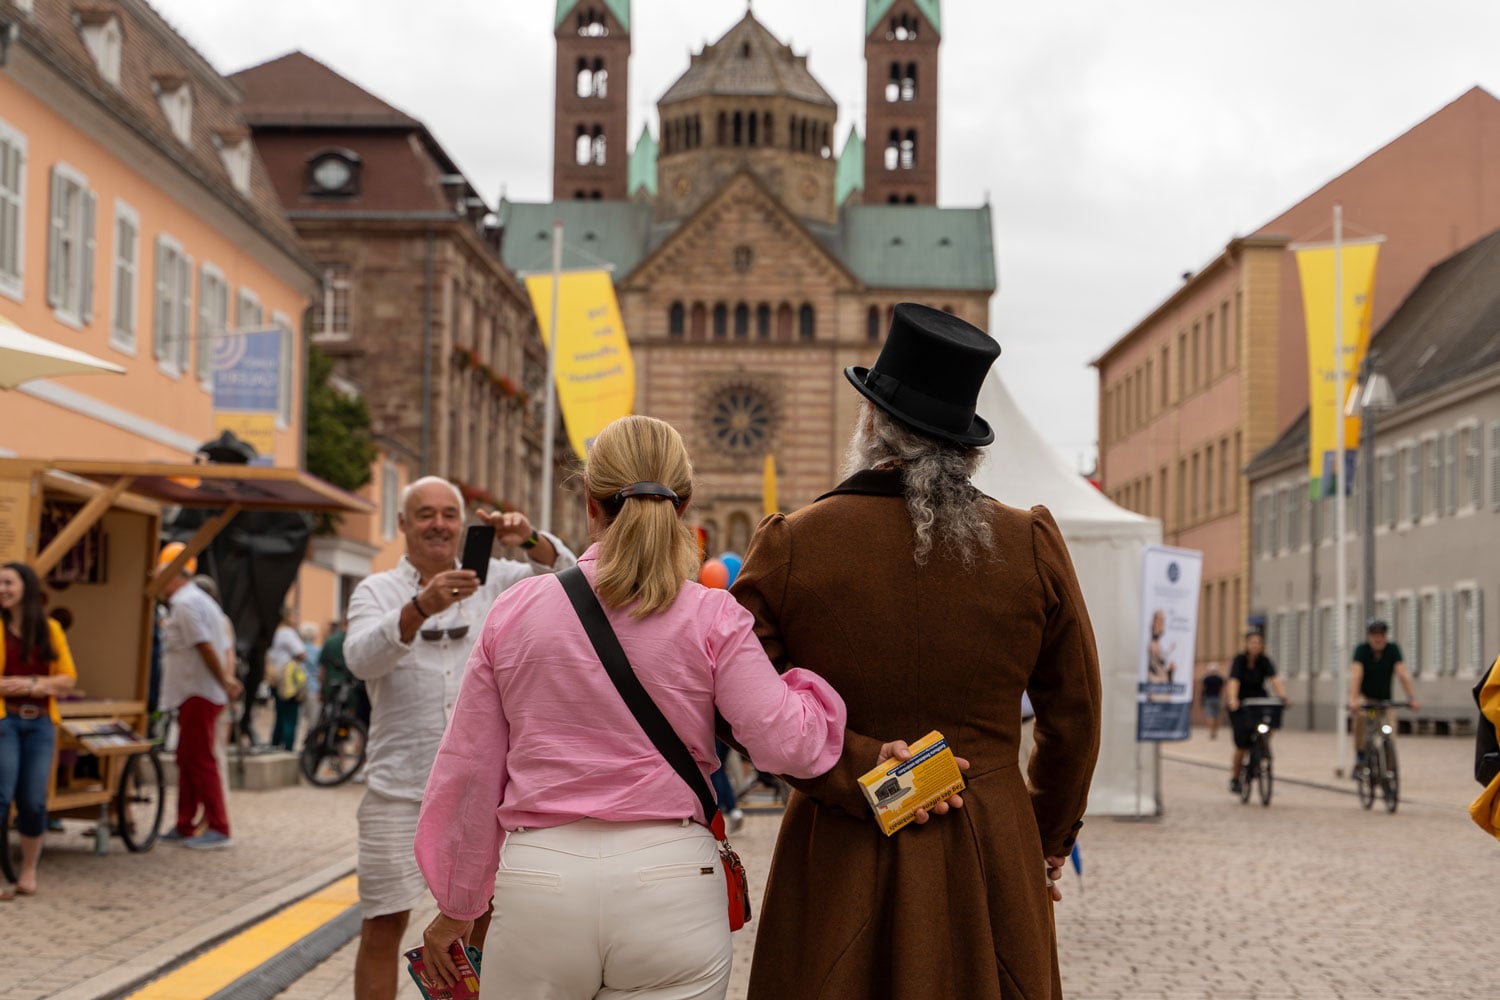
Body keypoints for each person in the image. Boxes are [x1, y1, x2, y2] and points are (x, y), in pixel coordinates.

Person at [733, 303, 1103, 1000]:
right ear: (969, 448)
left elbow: (744, 702)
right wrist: (1045, 836)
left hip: (841, 843)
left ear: (870, 426)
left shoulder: (792, 545)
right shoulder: (1030, 544)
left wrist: (857, 768)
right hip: (988, 844)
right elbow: (1075, 714)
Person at [413, 415, 846, 999]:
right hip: (671, 883)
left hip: (542, 881)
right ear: (684, 505)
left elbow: (469, 772)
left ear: (591, 504)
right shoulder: (712, 616)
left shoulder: (517, 610)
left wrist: (457, 905)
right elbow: (786, 745)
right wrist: (810, 692)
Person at [345, 476, 577, 1000]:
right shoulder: (377, 590)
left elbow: (572, 579)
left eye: (450, 514)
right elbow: (359, 659)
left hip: (482, 798)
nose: (439, 524)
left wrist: (530, 538)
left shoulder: (499, 580)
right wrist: (420, 606)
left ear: (463, 523)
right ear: (403, 524)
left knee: (484, 927)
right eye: (424, 514)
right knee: (384, 923)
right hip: (398, 790)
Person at [158, 543, 243, 849]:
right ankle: (185, 823)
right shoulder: (200, 601)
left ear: (173, 574)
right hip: (197, 691)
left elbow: (205, 646)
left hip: (196, 690)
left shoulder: (185, 604)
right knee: (189, 757)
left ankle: (218, 826)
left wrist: (224, 680)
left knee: (199, 759)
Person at [0, 562, 77, 899]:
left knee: (33, 800)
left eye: (8, 582)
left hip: (41, 722)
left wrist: (31, 683)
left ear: (26, 588)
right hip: (5, 720)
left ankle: (28, 870)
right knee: (1, 797)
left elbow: (67, 678)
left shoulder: (50, 629)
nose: (2, 589)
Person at [1225, 629, 1290, 794]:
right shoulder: (1240, 660)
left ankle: (1261, 748)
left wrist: (1283, 697)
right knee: (1241, 744)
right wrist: (1233, 699)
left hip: (1258, 702)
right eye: (1252, 642)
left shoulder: (1264, 661)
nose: (1255, 646)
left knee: (1270, 724)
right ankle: (1235, 777)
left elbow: (1274, 679)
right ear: (1247, 644)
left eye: (1258, 643)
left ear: (1262, 646)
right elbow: (1234, 681)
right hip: (1241, 703)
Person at [1347, 619, 1419, 766]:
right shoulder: (1362, 650)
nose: (1378, 638)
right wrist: (1353, 700)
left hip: (1384, 701)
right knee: (1361, 717)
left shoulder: (1392, 650)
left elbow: (1402, 674)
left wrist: (1411, 698)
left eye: (1381, 635)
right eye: (1374, 635)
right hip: (1366, 698)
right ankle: (1360, 754)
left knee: (1389, 728)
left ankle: (1388, 759)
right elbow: (1356, 675)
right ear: (1369, 637)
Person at [266, 607, 307, 752]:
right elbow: (302, 654)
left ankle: (275, 744)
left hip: (276, 679)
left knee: (280, 714)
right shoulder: (288, 633)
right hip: (288, 680)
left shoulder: (275, 632)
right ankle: (288, 748)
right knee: (290, 717)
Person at [1200, 665, 1225, 739]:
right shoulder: (1220, 678)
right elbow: (1222, 689)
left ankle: (1211, 732)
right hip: (1217, 698)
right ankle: (1215, 731)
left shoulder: (1206, 678)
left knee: (1210, 715)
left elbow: (1203, 689)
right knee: (1217, 716)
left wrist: (1201, 699)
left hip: (1208, 698)